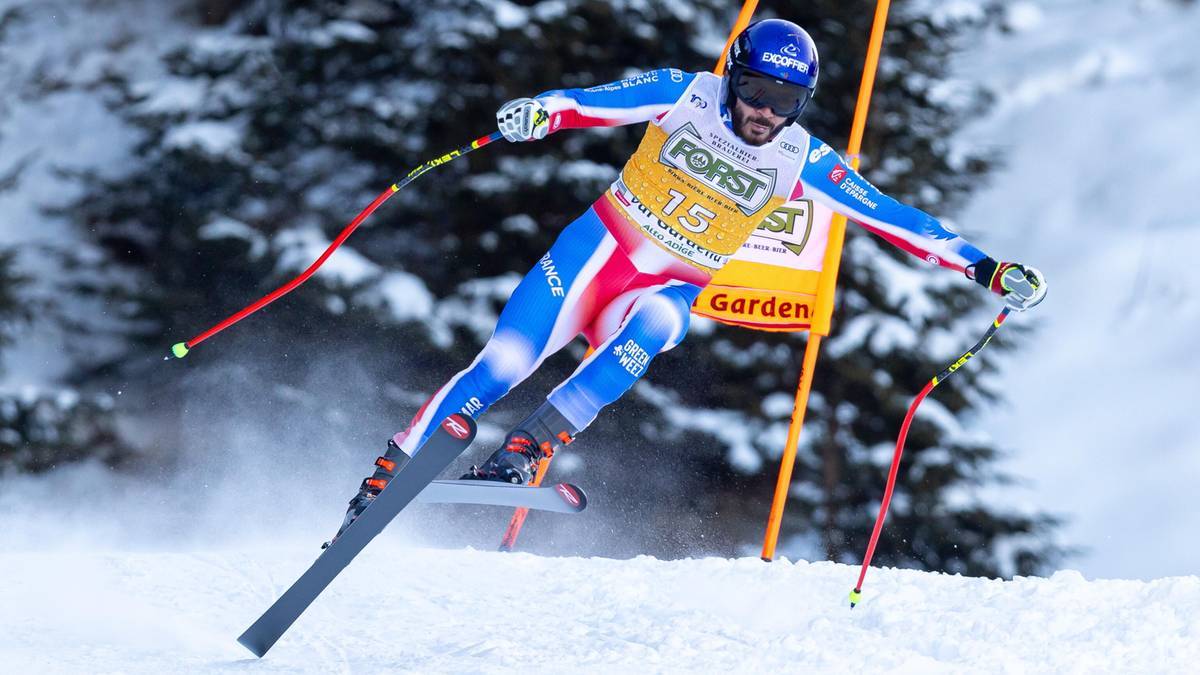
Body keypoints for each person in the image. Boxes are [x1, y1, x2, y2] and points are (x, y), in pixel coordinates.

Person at [330, 19, 1047, 540]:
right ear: (735, 74)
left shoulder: (802, 158)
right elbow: (591, 99)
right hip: (596, 252)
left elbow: (894, 218)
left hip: (658, 288)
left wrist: (987, 267)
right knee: (507, 362)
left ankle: (528, 445)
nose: (766, 112)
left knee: (663, 324)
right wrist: (540, 111)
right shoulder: (687, 93)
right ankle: (391, 470)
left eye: (787, 100)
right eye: (759, 90)